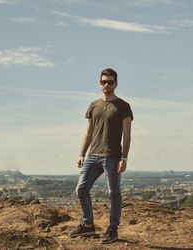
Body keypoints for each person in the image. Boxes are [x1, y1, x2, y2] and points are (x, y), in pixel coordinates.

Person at [70, 68, 133, 244]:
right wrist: (81, 153)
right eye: (104, 81)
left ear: (116, 84)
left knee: (114, 194)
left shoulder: (123, 106)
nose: (107, 84)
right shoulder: (94, 105)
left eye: (110, 82)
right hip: (92, 155)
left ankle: (112, 230)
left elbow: (127, 134)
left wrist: (124, 158)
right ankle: (88, 225)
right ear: (100, 83)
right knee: (81, 190)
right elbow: (88, 132)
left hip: (112, 156)